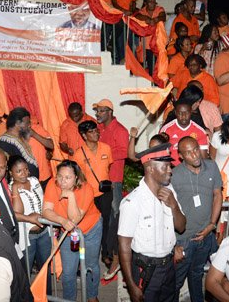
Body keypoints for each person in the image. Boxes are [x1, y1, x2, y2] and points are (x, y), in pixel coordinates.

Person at [118, 143, 186, 302]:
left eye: (170, 165)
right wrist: (131, 285)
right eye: (165, 166)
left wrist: (174, 204)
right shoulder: (133, 202)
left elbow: (181, 227)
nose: (170, 170)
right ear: (150, 169)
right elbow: (124, 246)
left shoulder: (170, 192)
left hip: (169, 267)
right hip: (146, 269)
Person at [42, 160, 103, 302]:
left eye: (68, 177)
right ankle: (69, 300)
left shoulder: (87, 188)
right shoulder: (53, 183)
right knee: (69, 272)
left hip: (91, 230)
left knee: (90, 265)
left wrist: (70, 195)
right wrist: (62, 221)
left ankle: (92, 296)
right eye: (60, 176)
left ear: (76, 177)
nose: (62, 181)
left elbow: (74, 218)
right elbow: (46, 211)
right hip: (68, 233)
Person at [172, 137, 222, 302]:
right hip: (184, 239)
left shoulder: (212, 166)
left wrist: (211, 225)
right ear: (180, 156)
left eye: (195, 149)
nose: (195, 155)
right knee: (176, 281)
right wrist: (174, 245)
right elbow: (167, 211)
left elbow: (217, 195)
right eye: (188, 153)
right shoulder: (174, 175)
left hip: (205, 234)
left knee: (197, 274)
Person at [93, 98, 128, 266]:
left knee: (114, 217)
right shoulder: (99, 129)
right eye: (97, 111)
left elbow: (124, 152)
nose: (98, 114)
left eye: (101, 111)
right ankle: (104, 250)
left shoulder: (120, 130)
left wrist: (106, 154)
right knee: (102, 217)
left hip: (113, 180)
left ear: (110, 112)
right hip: (99, 180)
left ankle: (113, 253)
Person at [8, 155, 50, 293]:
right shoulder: (10, 188)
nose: (24, 173)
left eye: (25, 169)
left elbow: (43, 203)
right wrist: (15, 188)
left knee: (45, 269)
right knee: (25, 272)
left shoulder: (34, 181)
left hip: (44, 233)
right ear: (10, 173)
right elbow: (16, 214)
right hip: (27, 237)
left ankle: (47, 297)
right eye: (18, 171)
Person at [74, 120, 113, 261]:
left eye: (96, 130)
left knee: (107, 222)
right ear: (84, 135)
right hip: (89, 196)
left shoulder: (106, 148)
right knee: (93, 225)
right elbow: (78, 177)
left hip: (105, 193)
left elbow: (109, 167)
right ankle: (91, 255)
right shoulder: (79, 154)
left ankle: (106, 253)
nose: (96, 133)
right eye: (91, 131)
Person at [160, 100, 209, 166]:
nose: (183, 116)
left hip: (192, 169)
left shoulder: (200, 131)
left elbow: (204, 158)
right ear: (175, 113)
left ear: (191, 112)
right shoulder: (166, 130)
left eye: (186, 113)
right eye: (180, 113)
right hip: (172, 169)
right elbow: (160, 154)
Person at [0, 107, 40, 178]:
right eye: (27, 123)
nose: (29, 125)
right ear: (17, 123)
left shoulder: (20, 137)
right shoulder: (3, 143)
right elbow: (3, 171)